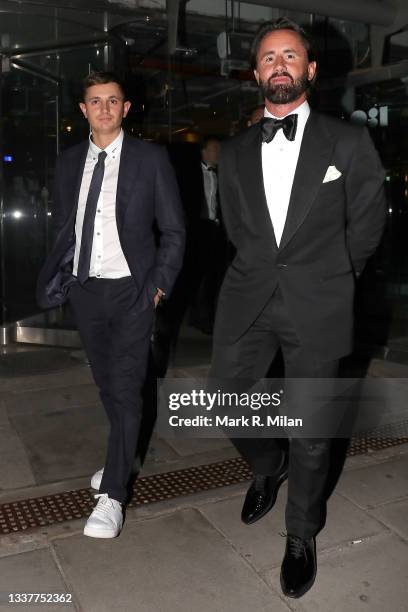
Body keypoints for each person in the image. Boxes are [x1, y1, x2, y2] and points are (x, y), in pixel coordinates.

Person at [210, 18, 385, 598]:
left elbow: (367, 222)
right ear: (256, 72)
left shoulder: (349, 141)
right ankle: (268, 463)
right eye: (267, 57)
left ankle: (301, 532)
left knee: (311, 431)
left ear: (309, 70)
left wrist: (336, 276)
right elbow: (237, 230)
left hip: (320, 300)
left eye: (290, 55)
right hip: (249, 298)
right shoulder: (233, 152)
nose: (278, 64)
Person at [37, 71, 185, 538]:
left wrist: (158, 285)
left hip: (131, 290)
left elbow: (176, 231)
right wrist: (62, 276)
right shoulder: (67, 162)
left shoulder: (150, 159)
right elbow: (65, 225)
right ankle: (118, 457)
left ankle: (114, 494)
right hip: (86, 290)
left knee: (125, 388)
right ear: (83, 111)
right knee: (107, 384)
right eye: (95, 101)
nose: (104, 108)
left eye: (113, 101)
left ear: (126, 109)